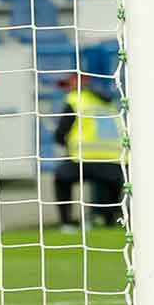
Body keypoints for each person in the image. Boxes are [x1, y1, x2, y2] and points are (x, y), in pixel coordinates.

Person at [53, 73, 125, 231]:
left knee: (61, 178)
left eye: (68, 84)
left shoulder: (75, 100)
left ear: (81, 82)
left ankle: (67, 223)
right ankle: (109, 217)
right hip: (114, 160)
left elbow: (60, 134)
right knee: (111, 184)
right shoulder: (108, 103)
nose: (66, 89)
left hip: (84, 157)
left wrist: (67, 148)